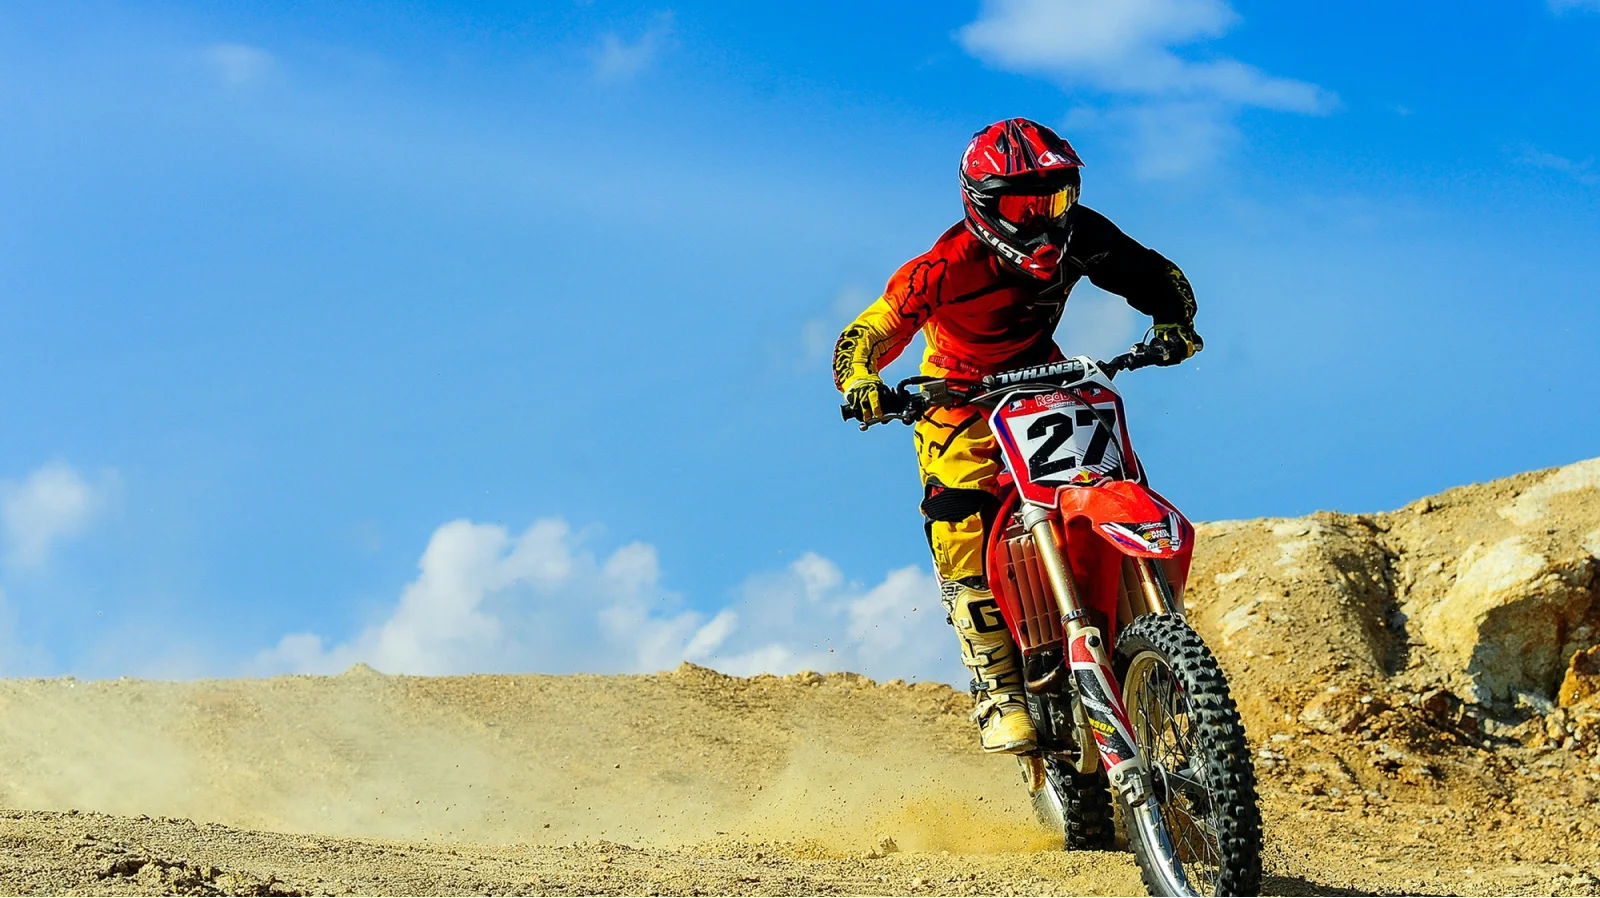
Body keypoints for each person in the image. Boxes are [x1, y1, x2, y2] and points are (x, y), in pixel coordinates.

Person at [832, 118, 1203, 754]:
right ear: (982, 204)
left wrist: (1174, 323)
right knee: (959, 516)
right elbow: (868, 331)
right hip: (957, 396)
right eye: (1021, 206)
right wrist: (863, 381)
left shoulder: (1085, 235)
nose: (1042, 220)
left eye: (1053, 199)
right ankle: (998, 686)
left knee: (1112, 476)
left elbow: (1154, 276)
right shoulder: (945, 266)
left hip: (1047, 379)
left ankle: (1145, 630)